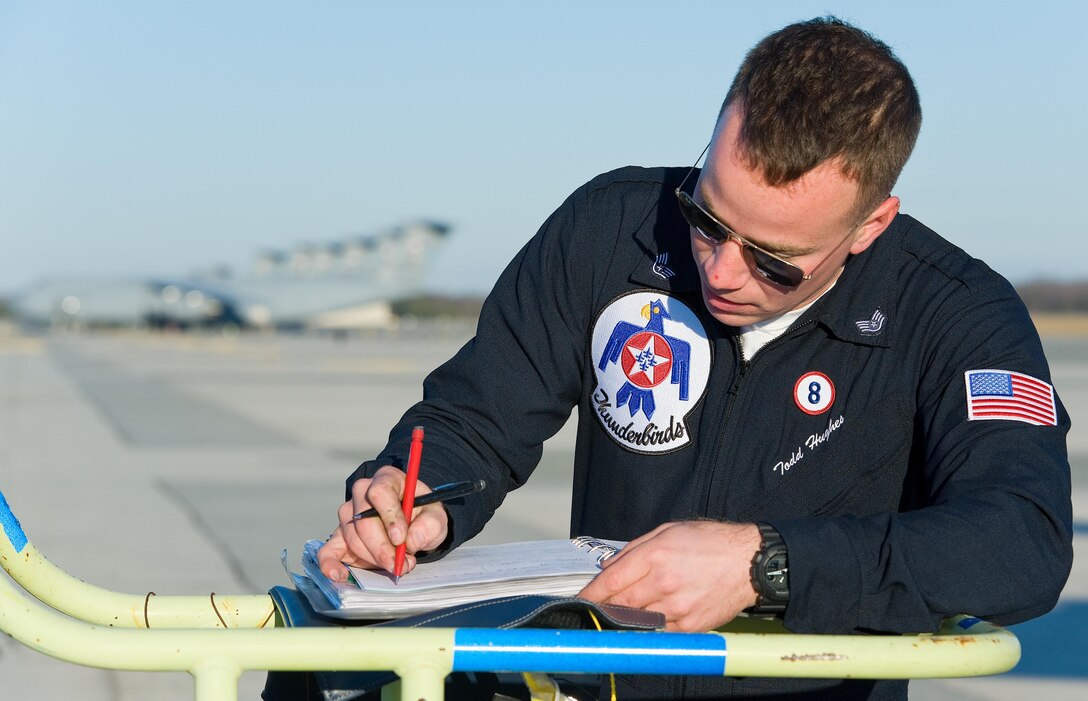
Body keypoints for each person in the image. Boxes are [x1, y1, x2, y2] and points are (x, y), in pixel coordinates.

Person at [316, 16, 1073, 700]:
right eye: (706, 219)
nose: (722, 272)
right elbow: (475, 417)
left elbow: (1021, 540)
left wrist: (765, 564)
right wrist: (416, 500)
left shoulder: (957, 313)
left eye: (776, 261)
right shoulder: (609, 230)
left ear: (871, 226)